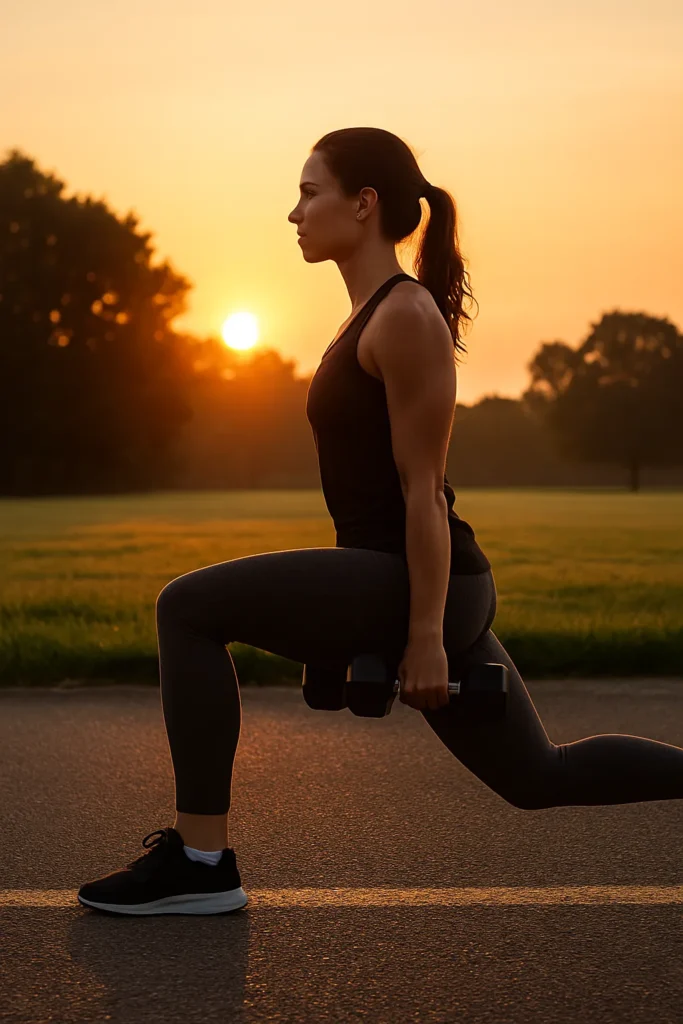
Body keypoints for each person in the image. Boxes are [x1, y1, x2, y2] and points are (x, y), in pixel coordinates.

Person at [78, 127, 683, 916]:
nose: (292, 212)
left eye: (308, 192)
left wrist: (422, 634)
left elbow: (423, 492)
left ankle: (201, 862)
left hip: (424, 581)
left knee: (186, 608)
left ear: (363, 205)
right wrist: (339, 636)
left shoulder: (404, 317)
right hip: (396, 577)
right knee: (539, 779)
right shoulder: (366, 314)